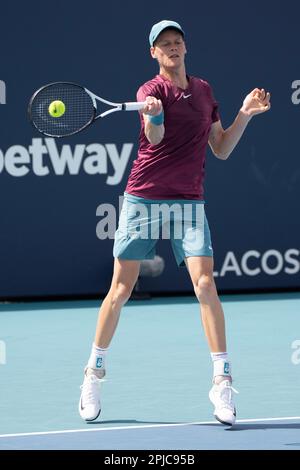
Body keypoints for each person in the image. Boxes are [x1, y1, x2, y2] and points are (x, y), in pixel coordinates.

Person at [78, 20, 271, 426]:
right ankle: (93, 374)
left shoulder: (203, 91)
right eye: (164, 44)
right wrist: (155, 117)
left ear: (185, 48)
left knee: (205, 284)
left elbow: (220, 148)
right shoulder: (150, 91)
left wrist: (245, 114)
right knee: (120, 289)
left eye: (177, 42)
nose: (172, 48)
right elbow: (157, 139)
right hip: (143, 199)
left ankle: (222, 381)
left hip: (188, 202)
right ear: (154, 53)